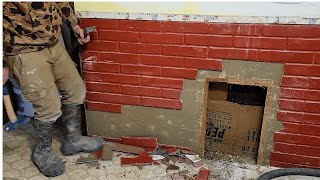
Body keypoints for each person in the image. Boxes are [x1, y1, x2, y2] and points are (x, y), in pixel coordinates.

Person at [3, 2, 104, 177]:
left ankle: (72, 140)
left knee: (76, 89)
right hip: (23, 49)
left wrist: (74, 24)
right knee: (48, 106)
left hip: (53, 43)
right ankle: (42, 151)